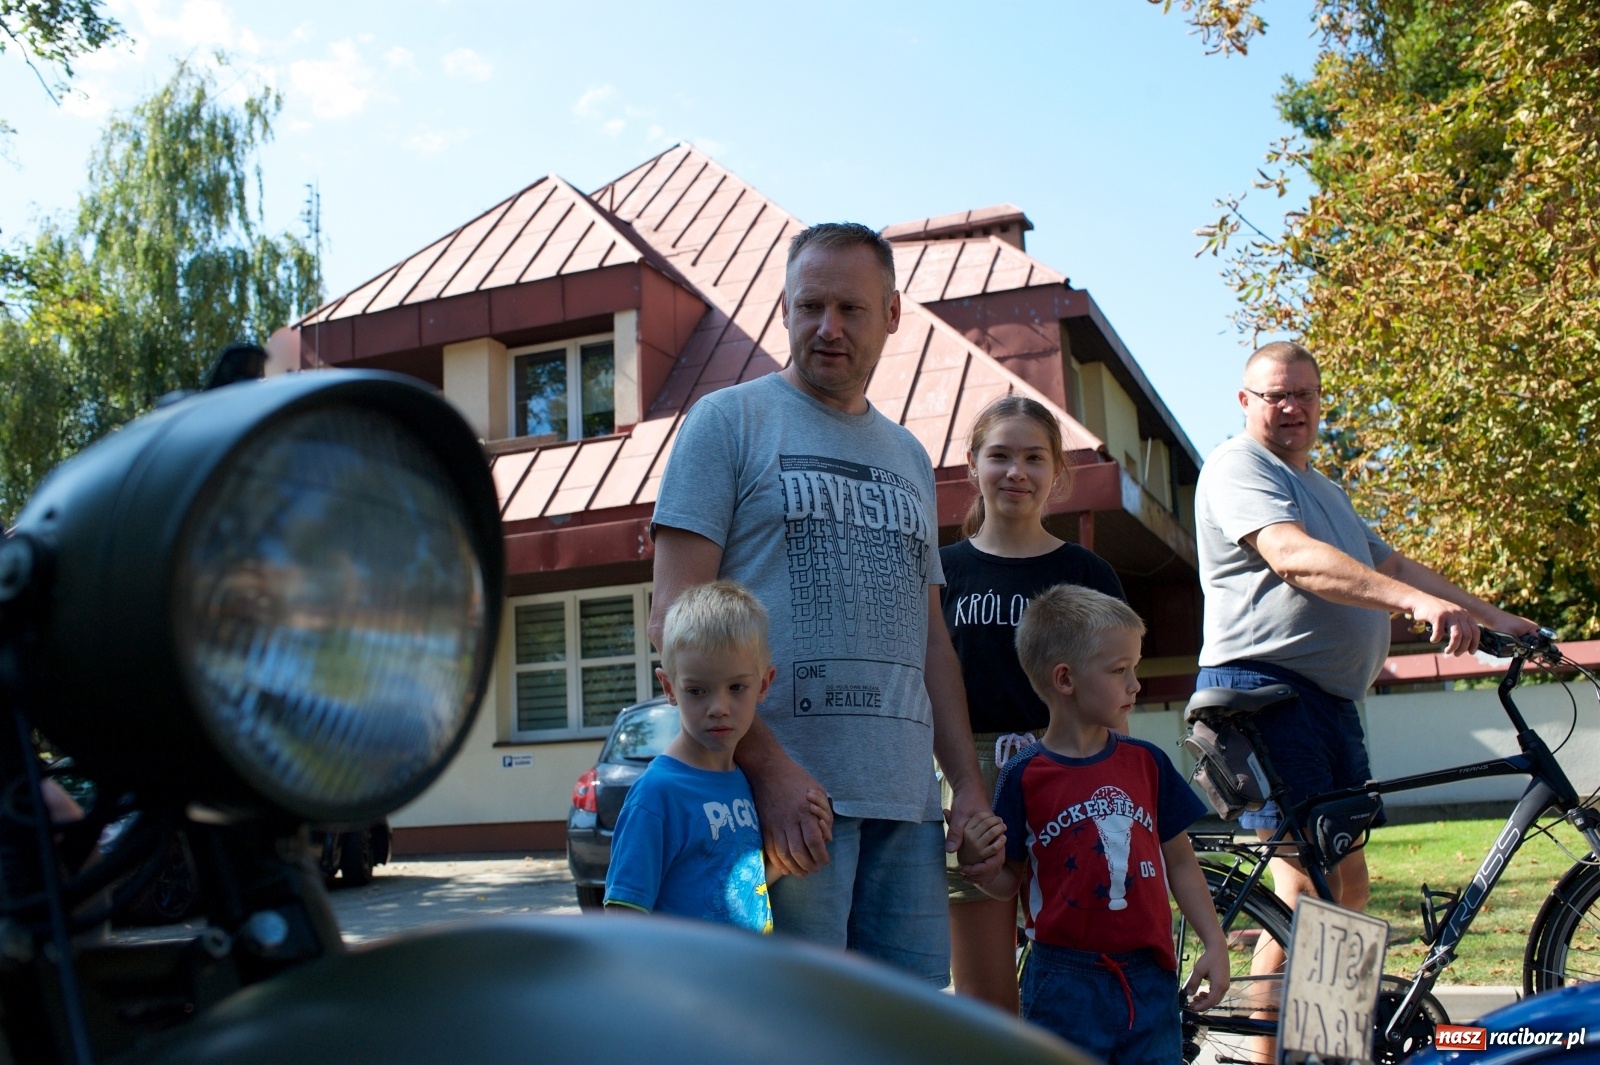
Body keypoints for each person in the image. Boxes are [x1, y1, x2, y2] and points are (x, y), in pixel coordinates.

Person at [649, 222, 996, 985]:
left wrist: (966, 783)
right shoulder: (727, 422)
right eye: (810, 306)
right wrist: (769, 769)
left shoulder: (910, 455)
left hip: (907, 809)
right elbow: (673, 619)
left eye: (851, 308)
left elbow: (931, 641)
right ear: (784, 308)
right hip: (777, 806)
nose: (828, 327)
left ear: (892, 313)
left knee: (902, 1028)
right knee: (790, 1025)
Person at [1194, 340, 1539, 920]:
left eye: (1304, 394)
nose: (1292, 407)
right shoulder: (1239, 465)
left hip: (1326, 700)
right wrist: (1418, 605)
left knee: (1349, 885)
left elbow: (1392, 565)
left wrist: (1494, 617)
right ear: (1245, 401)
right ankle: (1257, 990)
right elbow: (1291, 556)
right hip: (1263, 694)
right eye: (1276, 395)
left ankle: (1331, 989)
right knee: (1308, 889)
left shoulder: (1325, 489)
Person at [958, 584, 1228, 1062]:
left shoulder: (1148, 763)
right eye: (1119, 670)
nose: (1135, 685)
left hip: (1150, 978)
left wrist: (1215, 941)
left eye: (1135, 668)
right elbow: (1008, 882)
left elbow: (1182, 863)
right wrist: (979, 866)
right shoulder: (1023, 775)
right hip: (1062, 984)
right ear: (1065, 679)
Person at [940, 393, 1125, 1012]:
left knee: (1081, 971)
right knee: (985, 996)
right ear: (972, 464)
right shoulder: (941, 573)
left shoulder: (1088, 573)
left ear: (1057, 471)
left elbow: (1117, 689)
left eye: (1034, 457)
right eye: (999, 456)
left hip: (1072, 773)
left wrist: (1118, 778)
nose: (1016, 472)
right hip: (973, 777)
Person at [604, 581, 828, 931]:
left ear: (764, 684)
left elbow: (734, 886)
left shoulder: (743, 781)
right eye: (697, 690)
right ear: (669, 688)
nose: (719, 708)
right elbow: (622, 922)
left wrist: (793, 850)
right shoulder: (656, 796)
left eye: (736, 687)